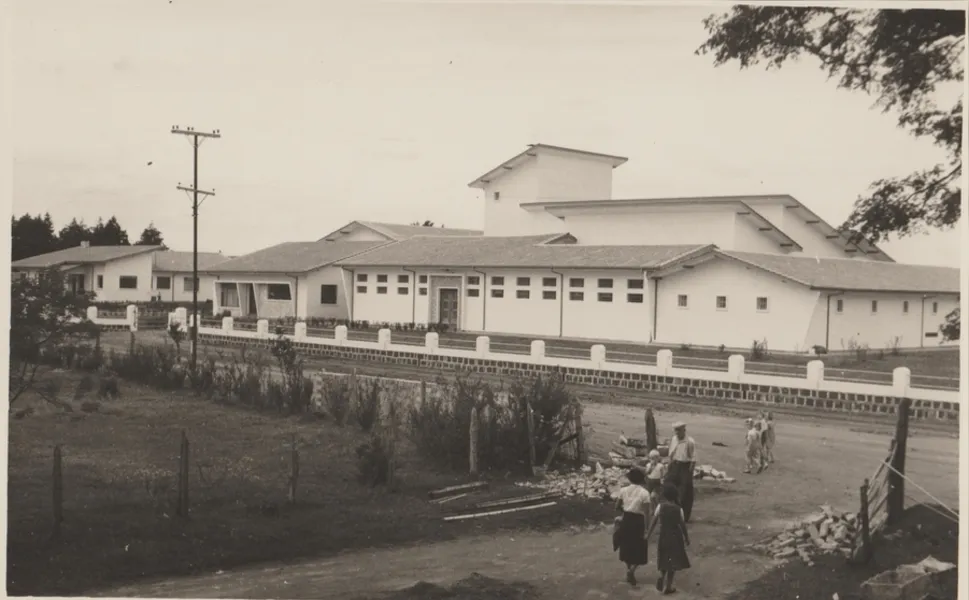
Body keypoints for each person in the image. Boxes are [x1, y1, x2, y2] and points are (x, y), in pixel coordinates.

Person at [646, 483, 691, 594]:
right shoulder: (678, 509)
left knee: (664, 557)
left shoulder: (660, 506)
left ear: (665, 495)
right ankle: (668, 586)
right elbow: (682, 525)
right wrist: (687, 538)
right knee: (673, 560)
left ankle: (662, 575)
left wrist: (648, 534)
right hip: (676, 536)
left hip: (663, 535)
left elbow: (654, 521)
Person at [614, 467, 652, 586]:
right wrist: (647, 529)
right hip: (638, 521)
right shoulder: (644, 493)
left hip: (627, 519)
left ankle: (628, 570)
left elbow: (617, 506)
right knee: (640, 547)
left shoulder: (623, 490)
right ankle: (632, 571)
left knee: (627, 546)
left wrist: (624, 512)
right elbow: (647, 513)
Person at [664, 421, 696, 522]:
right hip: (674, 465)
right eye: (675, 431)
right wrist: (669, 466)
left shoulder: (690, 442)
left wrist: (689, 473)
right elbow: (671, 454)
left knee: (685, 491)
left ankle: (683, 516)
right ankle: (669, 512)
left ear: (684, 430)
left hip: (685, 466)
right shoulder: (674, 439)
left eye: (679, 431)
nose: (677, 433)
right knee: (669, 487)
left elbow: (693, 459)